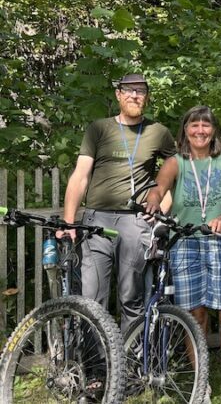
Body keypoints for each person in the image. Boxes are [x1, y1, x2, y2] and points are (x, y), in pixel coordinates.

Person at [144, 105, 221, 403]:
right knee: (196, 315)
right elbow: (157, 189)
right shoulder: (176, 162)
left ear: (213, 130)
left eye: (206, 125)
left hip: (219, 240)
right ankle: (201, 381)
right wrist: (152, 201)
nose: (200, 131)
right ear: (186, 130)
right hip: (185, 242)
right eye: (194, 125)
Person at [62, 73, 175, 333]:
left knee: (131, 296)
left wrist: (161, 212)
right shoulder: (99, 129)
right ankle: (97, 370)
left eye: (140, 91)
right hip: (97, 220)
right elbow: (80, 176)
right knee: (93, 298)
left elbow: (173, 174)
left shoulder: (158, 132)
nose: (135, 95)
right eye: (129, 90)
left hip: (135, 222)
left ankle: (131, 367)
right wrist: (69, 222)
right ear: (118, 94)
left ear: (147, 97)